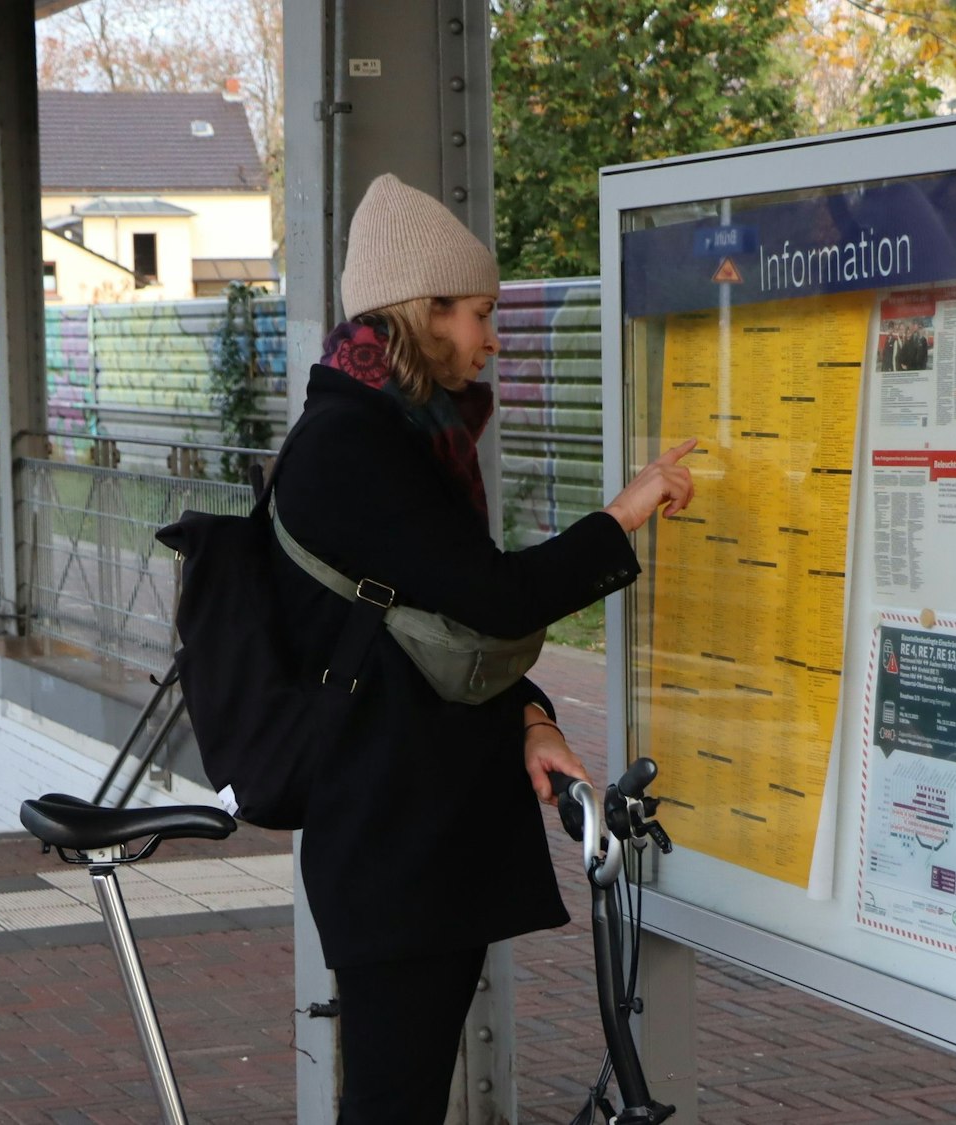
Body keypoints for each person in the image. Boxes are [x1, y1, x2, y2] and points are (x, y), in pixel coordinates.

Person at [269, 173, 695, 1125]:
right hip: (391, 838)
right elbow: (497, 600)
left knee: (402, 1095)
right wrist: (624, 513)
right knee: (393, 1103)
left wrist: (532, 718)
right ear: (421, 311)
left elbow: (440, 627)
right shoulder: (351, 446)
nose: (491, 336)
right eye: (477, 313)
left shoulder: (395, 433)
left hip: (410, 828)